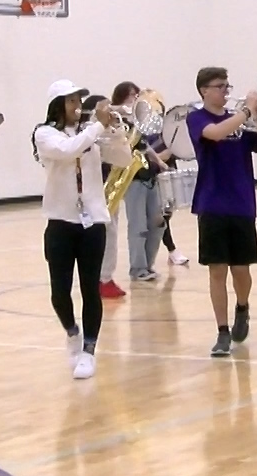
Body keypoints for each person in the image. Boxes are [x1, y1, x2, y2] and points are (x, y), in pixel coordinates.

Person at [31, 79, 131, 380]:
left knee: (91, 288)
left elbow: (124, 159)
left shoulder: (91, 133)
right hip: (61, 222)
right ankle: (72, 332)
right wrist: (98, 127)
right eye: (72, 101)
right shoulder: (44, 133)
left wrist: (116, 131)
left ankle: (89, 350)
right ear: (58, 105)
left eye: (79, 100)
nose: (78, 107)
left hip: (93, 222)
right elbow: (67, 150)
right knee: (60, 292)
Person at [187, 67, 257, 358]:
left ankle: (242, 306)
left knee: (241, 270)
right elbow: (214, 134)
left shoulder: (239, 118)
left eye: (227, 86)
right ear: (204, 90)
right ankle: (222, 331)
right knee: (217, 270)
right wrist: (247, 113)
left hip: (241, 203)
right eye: (220, 86)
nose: (226, 91)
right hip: (212, 203)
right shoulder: (196, 118)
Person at [110, 82, 170, 284]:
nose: (135, 99)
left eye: (137, 95)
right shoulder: (117, 121)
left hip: (150, 175)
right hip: (132, 179)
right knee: (138, 225)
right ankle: (138, 268)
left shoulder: (140, 122)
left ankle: (148, 264)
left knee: (158, 222)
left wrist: (160, 162)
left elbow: (144, 145)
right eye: (131, 95)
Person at [83, 92, 129, 301]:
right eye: (105, 108)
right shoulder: (86, 133)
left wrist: (117, 132)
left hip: (109, 187)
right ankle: (101, 278)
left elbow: (123, 158)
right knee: (102, 237)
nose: (110, 111)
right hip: (91, 192)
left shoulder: (106, 132)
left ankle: (106, 277)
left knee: (111, 235)